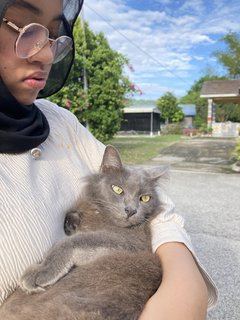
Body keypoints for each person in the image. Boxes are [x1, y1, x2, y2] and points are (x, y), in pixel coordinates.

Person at [0, 0, 217, 318]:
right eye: (28, 30)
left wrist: (185, 286)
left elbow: (158, 207)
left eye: (54, 36)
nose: (46, 54)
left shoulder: (60, 122)